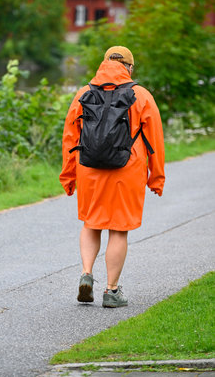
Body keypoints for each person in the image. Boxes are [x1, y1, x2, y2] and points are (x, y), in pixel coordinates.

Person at [59, 46, 165, 308]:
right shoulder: (141, 95)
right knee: (118, 229)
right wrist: (157, 177)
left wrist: (68, 174)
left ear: (104, 64)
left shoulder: (83, 94)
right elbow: (156, 141)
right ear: (129, 67)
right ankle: (111, 290)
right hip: (126, 170)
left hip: (89, 170)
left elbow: (70, 138)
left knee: (91, 223)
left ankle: (86, 274)